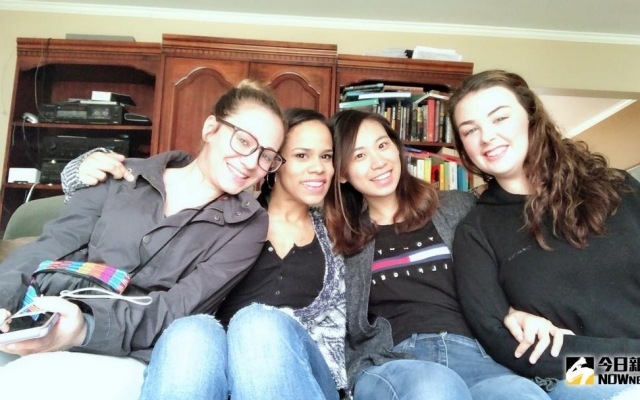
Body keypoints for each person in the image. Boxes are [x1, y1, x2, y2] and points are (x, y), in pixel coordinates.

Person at [0, 80, 286, 400]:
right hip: (45, 318)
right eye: (243, 140)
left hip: (134, 355)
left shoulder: (248, 225)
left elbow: (178, 309)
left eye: (266, 156)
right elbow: (49, 247)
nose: (251, 162)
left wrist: (85, 329)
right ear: (210, 128)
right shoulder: (120, 175)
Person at [60, 108, 346, 400]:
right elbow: (143, 224)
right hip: (215, 366)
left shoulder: (342, 232)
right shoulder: (229, 221)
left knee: (257, 323)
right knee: (192, 329)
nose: (318, 167)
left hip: (307, 378)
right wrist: (82, 166)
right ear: (272, 162)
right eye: (302, 155)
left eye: (326, 156)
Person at [323, 109, 553, 400]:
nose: (378, 161)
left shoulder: (458, 207)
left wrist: (517, 312)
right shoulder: (337, 239)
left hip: (477, 355)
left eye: (382, 145)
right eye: (359, 155)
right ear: (342, 173)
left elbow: (502, 270)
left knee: (521, 393)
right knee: (434, 387)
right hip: (393, 361)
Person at [448, 69, 640, 399]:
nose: (487, 137)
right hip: (582, 379)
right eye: (470, 130)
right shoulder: (476, 231)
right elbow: (501, 340)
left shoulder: (617, 187)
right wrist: (627, 365)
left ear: (531, 118)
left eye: (500, 118)